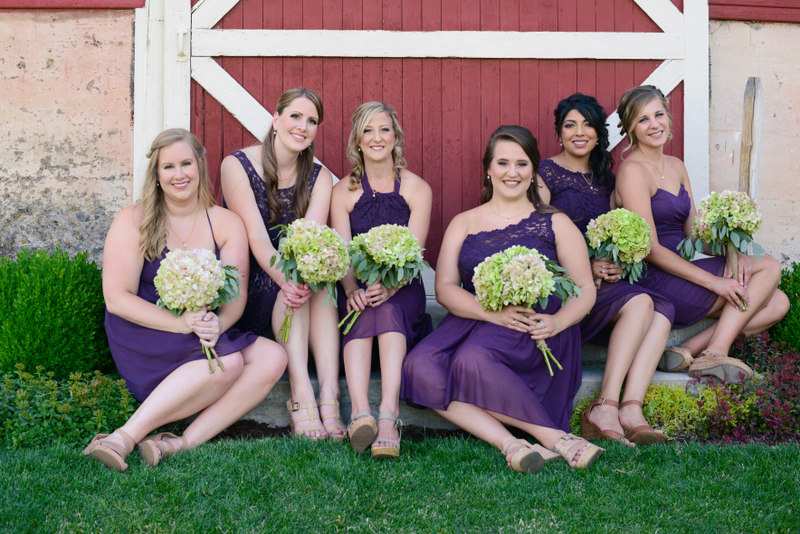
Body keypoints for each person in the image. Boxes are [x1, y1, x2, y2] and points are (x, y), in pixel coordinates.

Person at [401, 125, 602, 473]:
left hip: (536, 326)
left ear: (533, 171)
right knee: (419, 367)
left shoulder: (555, 223)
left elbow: (585, 288)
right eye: (503, 163)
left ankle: (556, 441)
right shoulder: (464, 223)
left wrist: (557, 322)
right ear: (489, 170)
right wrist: (491, 314)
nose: (513, 173)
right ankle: (517, 443)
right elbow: (446, 287)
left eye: (522, 164)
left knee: (471, 361)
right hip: (477, 317)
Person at [85, 128, 287, 471]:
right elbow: (117, 299)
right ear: (156, 174)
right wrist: (180, 323)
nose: (179, 175)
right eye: (169, 167)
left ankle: (179, 443)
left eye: (186, 164)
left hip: (199, 329)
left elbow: (235, 297)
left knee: (273, 357)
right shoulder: (134, 220)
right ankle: (122, 438)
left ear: (200, 166)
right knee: (230, 363)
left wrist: (217, 324)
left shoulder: (225, 223)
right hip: (145, 331)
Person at [615, 85, 789, 383]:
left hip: (686, 269)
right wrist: (716, 282)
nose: (654, 124)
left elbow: (695, 234)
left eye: (658, 115)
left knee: (779, 303)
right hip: (659, 278)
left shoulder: (676, 166)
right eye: (643, 119)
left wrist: (730, 246)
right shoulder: (632, 171)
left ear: (668, 117)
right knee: (768, 267)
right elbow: (651, 249)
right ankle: (715, 352)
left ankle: (687, 349)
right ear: (631, 127)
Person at [538, 93, 673, 445]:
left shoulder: (607, 179)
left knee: (661, 310)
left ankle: (630, 408)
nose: (579, 132)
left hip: (603, 284)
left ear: (600, 133)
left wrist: (616, 261)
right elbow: (537, 234)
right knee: (643, 303)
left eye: (588, 125)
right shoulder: (544, 174)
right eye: (570, 125)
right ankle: (606, 406)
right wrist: (584, 265)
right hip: (565, 287)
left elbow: (621, 232)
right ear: (559, 133)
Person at [221, 88, 342, 440]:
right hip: (254, 280)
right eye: (295, 116)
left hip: (296, 277)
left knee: (318, 285)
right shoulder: (237, 165)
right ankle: (301, 392)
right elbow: (257, 240)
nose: (303, 127)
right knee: (296, 289)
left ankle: (329, 395)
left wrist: (302, 277)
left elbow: (312, 242)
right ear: (275, 119)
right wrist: (288, 280)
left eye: (312, 121)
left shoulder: (319, 177)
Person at [330, 102, 433, 458]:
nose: (377, 138)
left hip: (403, 287)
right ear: (357, 140)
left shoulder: (417, 189)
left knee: (387, 309)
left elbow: (414, 255)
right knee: (361, 308)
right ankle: (361, 413)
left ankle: (389, 415)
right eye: (368, 131)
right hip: (358, 287)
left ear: (395, 137)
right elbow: (343, 253)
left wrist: (390, 287)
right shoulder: (342, 192)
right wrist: (351, 290)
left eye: (384, 129)